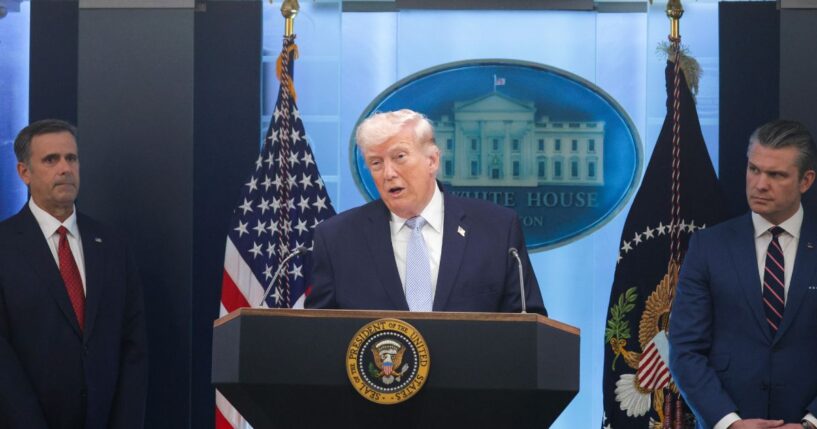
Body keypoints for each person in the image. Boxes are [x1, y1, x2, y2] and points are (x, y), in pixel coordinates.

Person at [305, 109, 545, 314]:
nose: (388, 173)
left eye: (399, 157)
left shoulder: (497, 229)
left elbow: (528, 326)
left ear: (432, 160)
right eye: (376, 163)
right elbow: (318, 333)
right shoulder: (337, 238)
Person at [669, 120, 817, 429]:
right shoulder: (708, 246)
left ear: (806, 181)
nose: (760, 184)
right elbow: (686, 349)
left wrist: (811, 423)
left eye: (776, 175)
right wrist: (729, 422)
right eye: (754, 169)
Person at [0, 120, 148, 428]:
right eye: (51, 160)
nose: (65, 168)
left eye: (71, 158)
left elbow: (132, 347)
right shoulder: (5, 246)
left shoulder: (113, 247)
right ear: (24, 172)